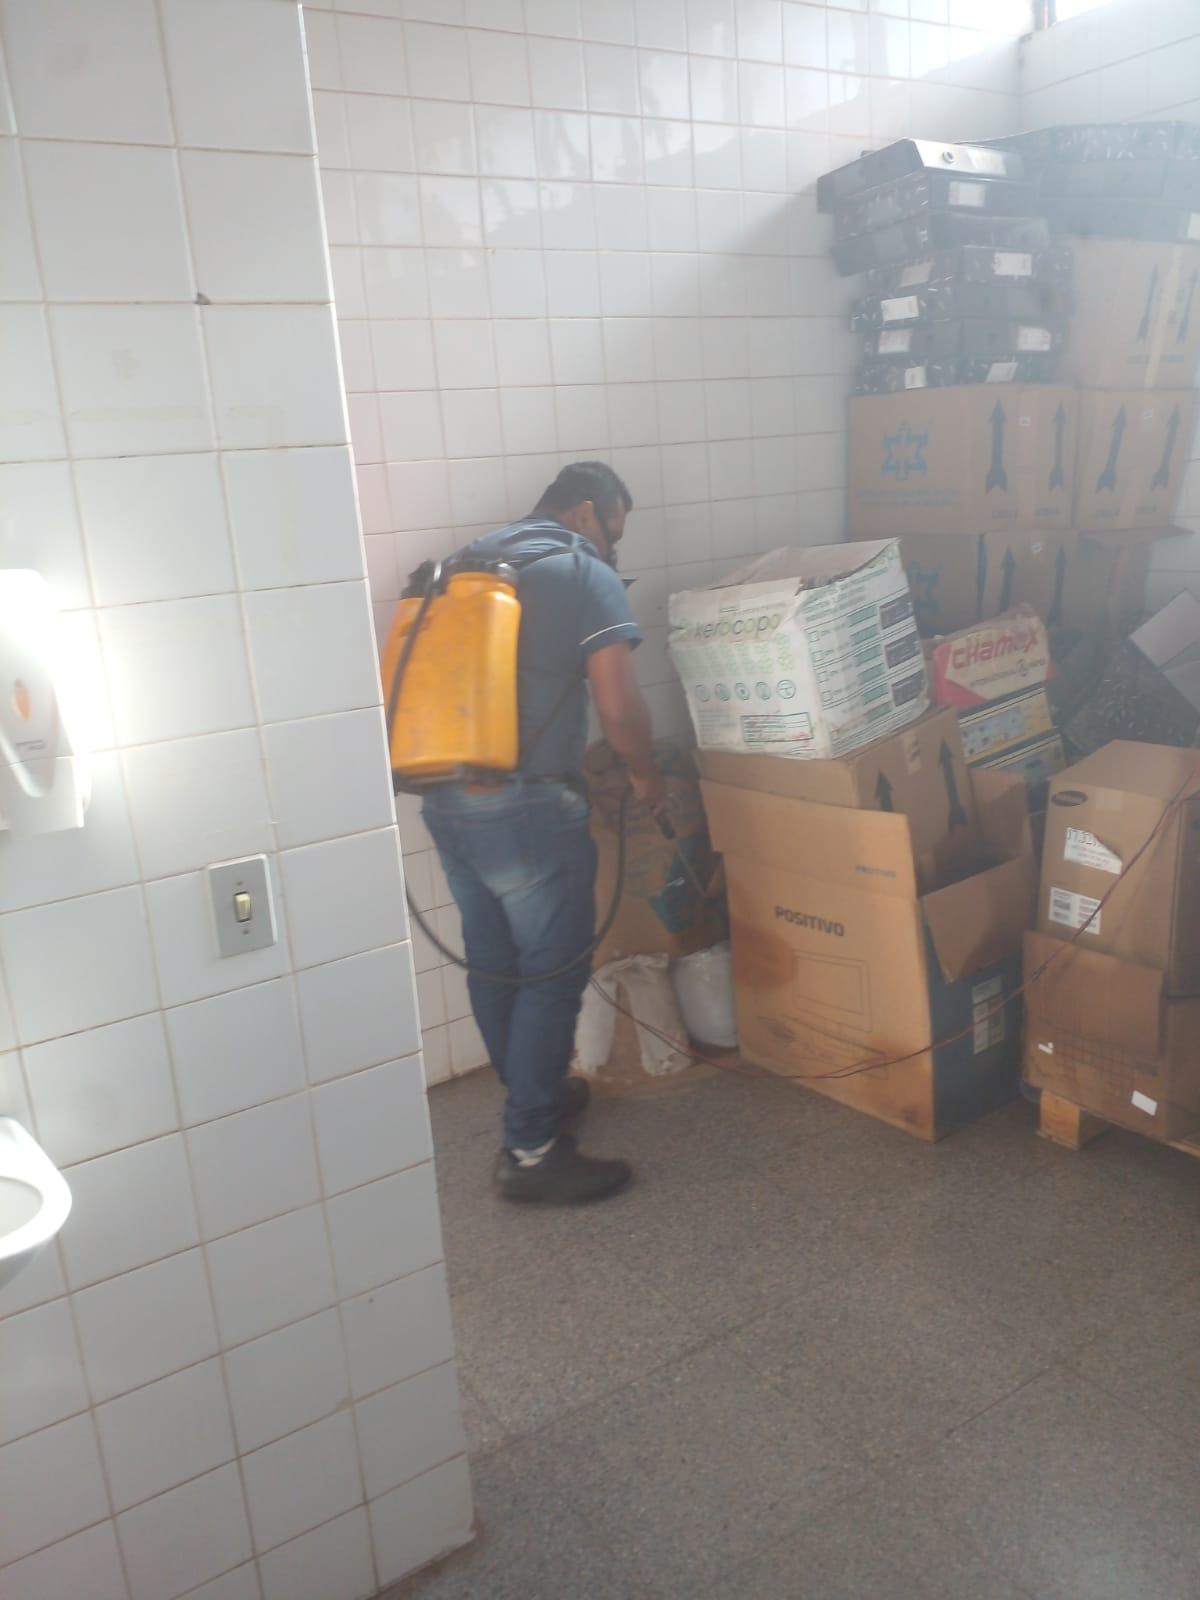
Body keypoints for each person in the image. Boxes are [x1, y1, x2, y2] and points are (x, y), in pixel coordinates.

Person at [421, 461, 665, 1204]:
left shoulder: (467, 564)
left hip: (446, 797)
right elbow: (618, 708)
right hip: (528, 808)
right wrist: (646, 775)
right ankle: (531, 1150)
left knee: (495, 961)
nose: (614, 546)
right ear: (587, 512)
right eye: (615, 529)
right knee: (552, 974)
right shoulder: (581, 571)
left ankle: (537, 1096)